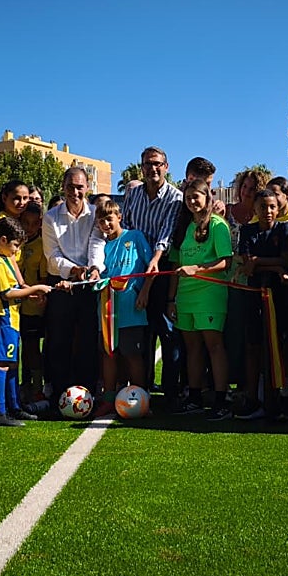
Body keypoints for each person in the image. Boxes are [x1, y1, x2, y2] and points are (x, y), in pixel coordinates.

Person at [167, 178, 233, 420]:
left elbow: (226, 261)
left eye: (196, 196)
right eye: (188, 197)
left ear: (207, 197)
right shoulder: (185, 227)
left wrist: (197, 269)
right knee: (192, 347)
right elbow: (176, 264)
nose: (192, 201)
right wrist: (171, 299)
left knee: (214, 346)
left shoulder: (218, 225)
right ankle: (194, 397)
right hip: (185, 296)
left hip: (209, 295)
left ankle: (221, 401)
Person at [121, 146, 184, 398]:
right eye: (148, 164)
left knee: (167, 332)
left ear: (166, 167)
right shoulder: (133, 194)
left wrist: (154, 261)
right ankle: (141, 388)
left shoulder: (175, 197)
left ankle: (170, 392)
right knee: (141, 332)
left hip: (161, 268)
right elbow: (126, 228)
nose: (153, 168)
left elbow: (166, 236)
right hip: (135, 270)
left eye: (157, 163)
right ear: (142, 168)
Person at [0, 216, 57, 427]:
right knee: (2, 364)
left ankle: (15, 407)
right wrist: (36, 288)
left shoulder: (7, 259)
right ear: (3, 240)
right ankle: (0, 412)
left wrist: (31, 294)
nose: (17, 250)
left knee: (12, 364)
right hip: (2, 319)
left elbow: (19, 286)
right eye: (15, 245)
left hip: (13, 319)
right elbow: (6, 293)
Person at [42, 166, 105, 400]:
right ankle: (59, 393)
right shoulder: (50, 217)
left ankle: (86, 392)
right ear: (63, 187)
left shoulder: (95, 213)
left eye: (80, 187)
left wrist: (94, 268)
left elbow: (97, 242)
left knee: (88, 339)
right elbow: (52, 255)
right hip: (61, 283)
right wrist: (73, 270)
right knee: (59, 339)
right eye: (70, 187)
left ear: (87, 188)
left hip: (88, 284)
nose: (75, 192)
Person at [234, 188, 288, 421]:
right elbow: (246, 264)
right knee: (252, 346)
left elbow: (286, 260)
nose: (268, 211)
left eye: (272, 206)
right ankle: (252, 397)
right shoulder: (247, 231)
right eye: (263, 207)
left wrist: (261, 262)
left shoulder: (284, 229)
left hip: (279, 297)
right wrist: (274, 266)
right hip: (253, 295)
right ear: (255, 209)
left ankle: (275, 399)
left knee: (276, 347)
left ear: (278, 208)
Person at [96, 199, 154, 412]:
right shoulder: (101, 246)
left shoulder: (135, 237)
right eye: (101, 221)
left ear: (119, 217)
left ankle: (140, 399)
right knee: (108, 354)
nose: (106, 224)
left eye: (109, 219)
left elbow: (151, 268)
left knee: (133, 354)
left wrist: (144, 292)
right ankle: (108, 399)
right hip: (107, 309)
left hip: (132, 308)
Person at [17, 201, 49, 400]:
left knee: (31, 346)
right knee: (17, 347)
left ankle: (37, 388)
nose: (29, 228)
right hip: (12, 304)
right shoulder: (15, 242)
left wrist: (39, 296)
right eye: (25, 223)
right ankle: (22, 385)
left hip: (32, 305)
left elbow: (43, 278)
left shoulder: (41, 246)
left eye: (34, 223)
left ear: (40, 223)